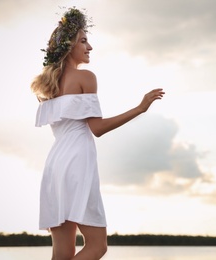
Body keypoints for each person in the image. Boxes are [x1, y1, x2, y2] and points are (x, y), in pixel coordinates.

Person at [31, 8, 165, 260]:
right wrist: (140, 108)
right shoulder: (85, 77)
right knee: (97, 246)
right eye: (83, 41)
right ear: (69, 46)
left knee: (62, 253)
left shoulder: (46, 87)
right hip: (78, 163)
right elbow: (97, 128)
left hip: (55, 165)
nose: (90, 46)